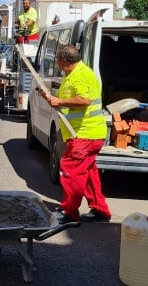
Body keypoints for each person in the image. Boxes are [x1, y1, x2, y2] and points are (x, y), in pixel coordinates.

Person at [42, 44, 111, 224]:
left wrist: (60, 101)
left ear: (64, 60)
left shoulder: (80, 75)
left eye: (58, 60)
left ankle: (69, 212)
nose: (57, 64)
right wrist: (53, 99)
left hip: (85, 133)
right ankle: (100, 210)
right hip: (86, 133)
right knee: (87, 172)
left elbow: (83, 100)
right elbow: (69, 100)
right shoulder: (74, 73)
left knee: (71, 170)